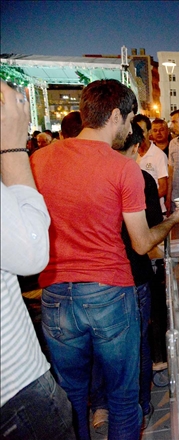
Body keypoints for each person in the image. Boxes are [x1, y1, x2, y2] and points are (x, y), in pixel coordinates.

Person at [30, 79, 179, 440]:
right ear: (117, 116)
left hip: (56, 292)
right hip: (109, 291)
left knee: (74, 394)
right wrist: (173, 221)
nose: (130, 128)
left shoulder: (39, 159)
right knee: (123, 398)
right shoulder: (125, 169)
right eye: (130, 120)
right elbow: (140, 243)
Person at [0, 81, 75, 440]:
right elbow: (31, 252)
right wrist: (12, 147)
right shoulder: (21, 157)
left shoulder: (41, 158)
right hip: (14, 391)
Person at [89, 122, 163, 434]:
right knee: (138, 344)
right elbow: (147, 237)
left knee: (100, 346)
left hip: (95, 277)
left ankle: (101, 406)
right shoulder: (140, 177)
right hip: (133, 273)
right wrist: (174, 221)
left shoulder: (91, 174)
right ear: (135, 149)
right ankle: (141, 404)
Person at [134, 114, 168, 213]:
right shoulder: (131, 154)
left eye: (142, 131)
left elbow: (163, 188)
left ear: (149, 132)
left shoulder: (159, 155)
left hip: (154, 210)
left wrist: (146, 200)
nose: (139, 136)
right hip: (136, 210)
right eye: (136, 132)